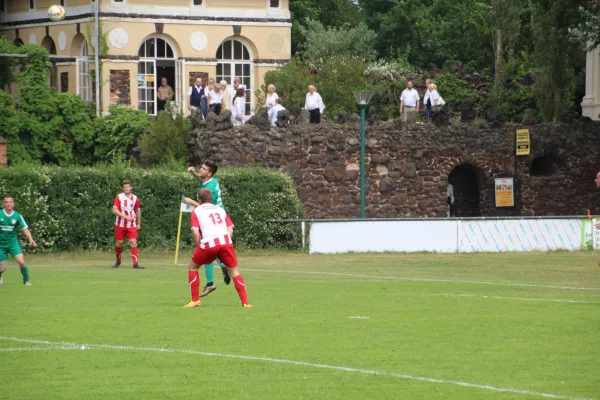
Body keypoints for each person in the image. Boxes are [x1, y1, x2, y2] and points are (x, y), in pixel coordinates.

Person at [184, 188, 251, 308]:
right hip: (226, 242)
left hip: (209, 244)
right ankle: (245, 303)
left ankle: (195, 300)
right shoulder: (220, 209)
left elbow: (195, 232)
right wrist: (225, 241)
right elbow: (230, 229)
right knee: (235, 271)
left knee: (193, 267)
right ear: (211, 199)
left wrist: (197, 245)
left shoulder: (197, 211)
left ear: (199, 199)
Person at [184, 160, 230, 296]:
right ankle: (222, 265)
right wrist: (193, 173)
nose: (200, 169)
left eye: (203, 168)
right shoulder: (211, 181)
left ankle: (210, 283)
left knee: (205, 247)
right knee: (213, 246)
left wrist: (190, 201)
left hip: (211, 218)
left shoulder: (209, 189)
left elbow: (205, 207)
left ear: (209, 173)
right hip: (219, 218)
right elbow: (201, 179)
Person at [0, 195, 36, 285]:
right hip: (1, 244)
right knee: (2, 268)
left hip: (12, 242)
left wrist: (30, 239)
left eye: (10, 202)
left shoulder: (17, 216)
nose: (8, 204)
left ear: (13, 204)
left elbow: (25, 229)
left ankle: (26, 280)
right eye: (6, 202)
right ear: (3, 204)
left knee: (21, 262)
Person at [112, 180, 144, 269]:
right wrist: (125, 217)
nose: (126, 188)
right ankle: (118, 261)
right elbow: (114, 210)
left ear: (131, 188)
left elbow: (138, 211)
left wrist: (139, 223)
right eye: (124, 187)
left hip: (131, 224)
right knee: (119, 243)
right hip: (120, 224)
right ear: (123, 188)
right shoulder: (119, 197)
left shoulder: (135, 198)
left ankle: (135, 264)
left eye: (127, 187)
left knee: (133, 241)